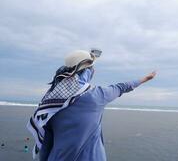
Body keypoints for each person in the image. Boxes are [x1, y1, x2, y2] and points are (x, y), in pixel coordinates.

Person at [27, 49, 156, 161]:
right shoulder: (96, 96)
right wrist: (144, 79)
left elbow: (46, 142)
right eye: (92, 69)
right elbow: (121, 87)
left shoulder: (50, 101)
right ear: (88, 71)